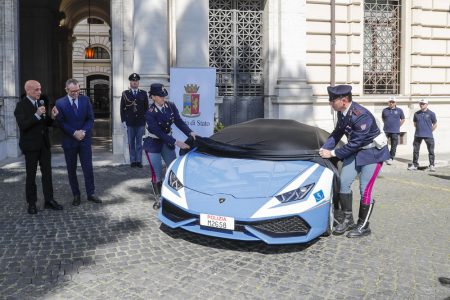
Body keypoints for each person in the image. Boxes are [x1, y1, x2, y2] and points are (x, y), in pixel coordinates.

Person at [319, 85, 390, 238]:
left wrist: (331, 153)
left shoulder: (361, 115)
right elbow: (337, 132)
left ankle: (363, 226)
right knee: (343, 181)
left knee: (365, 189)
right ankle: (348, 219)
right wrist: (324, 148)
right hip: (357, 151)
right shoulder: (342, 113)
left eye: (332, 100)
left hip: (373, 154)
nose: (330, 103)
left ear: (343, 101)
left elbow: (354, 144)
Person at [14, 80, 63, 214]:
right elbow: (23, 125)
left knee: (47, 174)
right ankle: (31, 203)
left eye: (40, 89)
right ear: (28, 90)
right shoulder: (20, 106)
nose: (40, 92)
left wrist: (52, 117)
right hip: (30, 146)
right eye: (36, 89)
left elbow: (45, 123)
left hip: (44, 145)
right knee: (31, 175)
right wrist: (36, 115)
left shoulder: (41, 103)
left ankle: (49, 200)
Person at [143, 83, 196, 204]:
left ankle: (178, 196)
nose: (163, 98)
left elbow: (178, 121)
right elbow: (158, 132)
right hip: (153, 144)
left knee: (173, 169)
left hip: (167, 144)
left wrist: (190, 132)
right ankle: (159, 198)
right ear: (153, 97)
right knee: (156, 173)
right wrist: (176, 142)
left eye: (164, 96)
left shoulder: (170, 106)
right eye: (160, 96)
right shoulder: (150, 113)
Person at [55, 78, 102, 206]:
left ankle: (91, 193)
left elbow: (90, 119)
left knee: (88, 168)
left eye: (78, 90)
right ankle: (76, 195)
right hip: (69, 141)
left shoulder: (85, 100)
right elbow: (61, 122)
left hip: (84, 140)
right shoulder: (59, 103)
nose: (76, 93)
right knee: (71, 169)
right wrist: (74, 133)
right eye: (73, 91)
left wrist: (83, 132)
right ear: (66, 90)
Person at [120, 73, 149, 168]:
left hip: (141, 123)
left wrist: (147, 121)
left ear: (138, 82)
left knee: (139, 143)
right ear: (130, 82)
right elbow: (122, 108)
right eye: (133, 81)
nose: (134, 82)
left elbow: (146, 109)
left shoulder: (143, 93)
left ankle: (139, 161)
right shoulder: (125, 94)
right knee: (131, 142)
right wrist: (123, 121)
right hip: (130, 123)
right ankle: (133, 161)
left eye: (136, 81)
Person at [407, 99, 437, 172]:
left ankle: (432, 165)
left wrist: (429, 130)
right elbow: (415, 123)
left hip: (428, 135)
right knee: (416, 151)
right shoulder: (416, 113)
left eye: (423, 104)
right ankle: (415, 165)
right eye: (420, 104)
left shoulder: (431, 113)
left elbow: (435, 124)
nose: (422, 105)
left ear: (427, 104)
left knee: (431, 151)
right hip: (418, 135)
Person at [381, 96, 405, 165]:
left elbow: (403, 119)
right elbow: (383, 118)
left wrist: (398, 126)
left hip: (395, 131)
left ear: (395, 103)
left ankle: (391, 157)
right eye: (390, 102)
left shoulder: (399, 110)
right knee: (384, 144)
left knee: (394, 145)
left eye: (393, 102)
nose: (391, 103)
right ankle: (386, 156)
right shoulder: (384, 110)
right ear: (388, 103)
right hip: (386, 130)